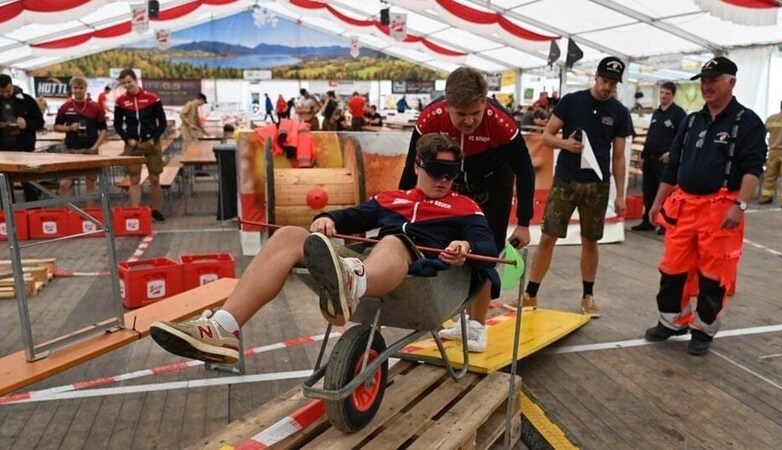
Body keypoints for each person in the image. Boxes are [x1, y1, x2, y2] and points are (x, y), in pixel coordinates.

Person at [149, 133, 498, 363]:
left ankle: (352, 282)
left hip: (421, 274)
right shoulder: (393, 199)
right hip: (372, 267)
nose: (444, 180)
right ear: (419, 165)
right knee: (288, 235)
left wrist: (464, 243)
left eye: (452, 173)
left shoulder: (464, 207)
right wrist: (327, 219)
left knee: (394, 240)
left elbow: (486, 244)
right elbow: (352, 216)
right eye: (437, 170)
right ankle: (223, 328)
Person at [399, 67, 534, 352]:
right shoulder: (429, 119)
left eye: (476, 112)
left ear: (485, 101)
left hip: (494, 187)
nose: (470, 120)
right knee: (453, 250)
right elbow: (411, 168)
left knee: (482, 253)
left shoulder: (502, 123)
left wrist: (523, 222)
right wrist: (402, 207)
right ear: (446, 105)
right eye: (461, 114)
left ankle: (477, 327)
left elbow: (525, 171)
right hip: (455, 186)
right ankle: (461, 319)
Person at [644, 56, 767, 356]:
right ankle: (672, 321)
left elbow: (754, 167)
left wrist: (740, 205)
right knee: (672, 267)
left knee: (714, 273)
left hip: (721, 208)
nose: (707, 86)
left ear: (731, 83)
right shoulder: (691, 121)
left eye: (714, 80)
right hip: (683, 206)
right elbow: (673, 166)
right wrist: (658, 201)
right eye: (704, 80)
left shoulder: (747, 121)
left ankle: (703, 328)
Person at [504, 56, 631, 318]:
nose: (608, 87)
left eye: (613, 83)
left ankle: (588, 296)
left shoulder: (619, 112)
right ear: (596, 77)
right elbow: (548, 136)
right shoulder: (573, 101)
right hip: (566, 180)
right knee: (548, 236)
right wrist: (566, 145)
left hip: (597, 185)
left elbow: (619, 157)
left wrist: (621, 194)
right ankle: (531, 295)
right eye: (605, 80)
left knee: (591, 241)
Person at [113, 68, 168, 223]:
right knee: (134, 178)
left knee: (155, 178)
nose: (127, 85)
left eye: (129, 81)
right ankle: (136, 210)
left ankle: (155, 210)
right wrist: (127, 139)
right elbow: (117, 125)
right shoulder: (121, 101)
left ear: (136, 80)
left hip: (152, 143)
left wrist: (154, 138)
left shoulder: (152, 98)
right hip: (133, 144)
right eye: (124, 83)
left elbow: (162, 122)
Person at [631, 82, 687, 232]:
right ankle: (648, 221)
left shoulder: (678, 114)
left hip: (665, 160)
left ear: (672, 95)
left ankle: (664, 222)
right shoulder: (657, 113)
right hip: (650, 158)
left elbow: (682, 137)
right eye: (662, 93)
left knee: (664, 193)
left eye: (667, 93)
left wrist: (671, 153)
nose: (664, 96)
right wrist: (643, 156)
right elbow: (650, 136)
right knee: (648, 191)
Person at [53, 76, 107, 204]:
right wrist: (69, 128)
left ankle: (90, 214)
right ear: (71, 89)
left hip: (90, 150)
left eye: (81, 88)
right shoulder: (65, 107)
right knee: (65, 183)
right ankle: (66, 215)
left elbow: (104, 130)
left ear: (85, 89)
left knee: (90, 183)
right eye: (75, 88)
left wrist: (95, 148)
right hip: (70, 149)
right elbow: (56, 126)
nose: (78, 90)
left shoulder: (95, 107)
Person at [0, 74, 45, 202]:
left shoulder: (26, 100)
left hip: (25, 148)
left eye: (8, 91)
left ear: (12, 85)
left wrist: (26, 124)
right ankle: (6, 217)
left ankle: (34, 212)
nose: (5, 94)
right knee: (4, 186)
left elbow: (40, 122)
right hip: (3, 150)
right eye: (2, 92)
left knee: (30, 183)